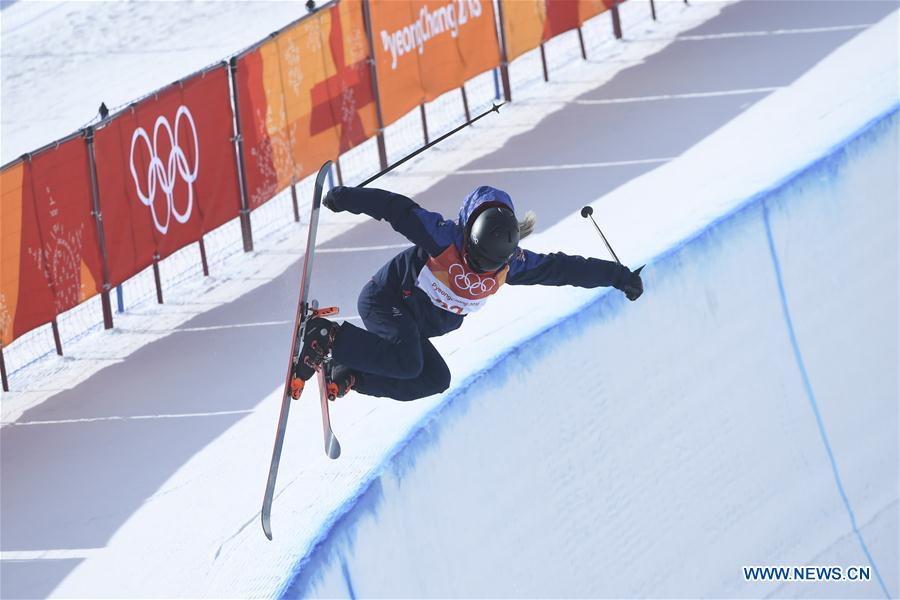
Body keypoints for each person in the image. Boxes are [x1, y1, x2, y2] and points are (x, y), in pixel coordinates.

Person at [294, 185, 643, 401]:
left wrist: (617, 276)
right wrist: (347, 198)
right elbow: (396, 209)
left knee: (435, 379)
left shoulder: (509, 265)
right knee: (409, 361)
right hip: (385, 301)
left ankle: (349, 370)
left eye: (486, 268)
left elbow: (561, 268)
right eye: (473, 261)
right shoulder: (443, 237)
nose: (478, 271)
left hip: (410, 326)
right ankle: (327, 336)